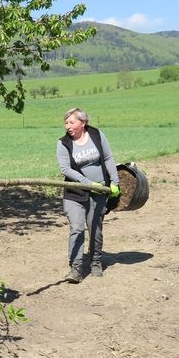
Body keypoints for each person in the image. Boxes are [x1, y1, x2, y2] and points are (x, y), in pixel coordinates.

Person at [56, 107, 121, 282]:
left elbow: (108, 158)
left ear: (83, 122)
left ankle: (95, 262)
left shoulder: (97, 135)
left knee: (95, 229)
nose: (68, 126)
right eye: (66, 122)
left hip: (100, 190)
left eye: (72, 122)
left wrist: (114, 182)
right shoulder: (63, 143)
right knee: (77, 228)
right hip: (75, 192)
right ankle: (76, 268)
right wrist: (87, 183)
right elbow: (65, 169)